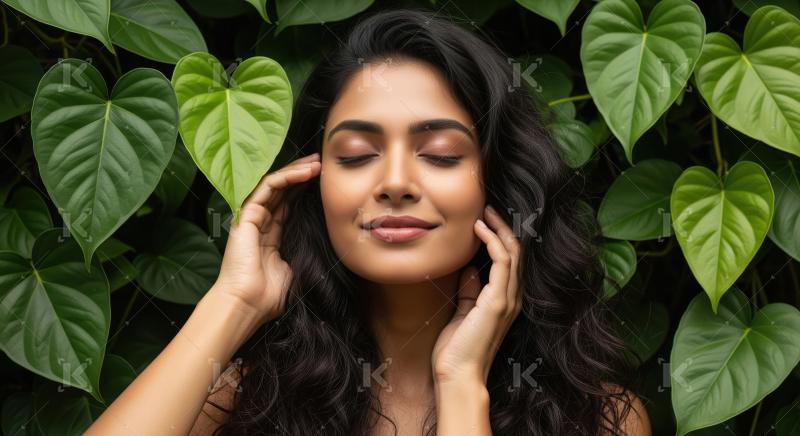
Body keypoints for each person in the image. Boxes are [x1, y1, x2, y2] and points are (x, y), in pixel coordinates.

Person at [86, 8, 651, 436]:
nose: (395, 182)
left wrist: (460, 387)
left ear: (499, 184)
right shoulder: (243, 394)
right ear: (313, 181)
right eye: (356, 154)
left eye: (442, 154)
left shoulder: (597, 416)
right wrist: (234, 302)